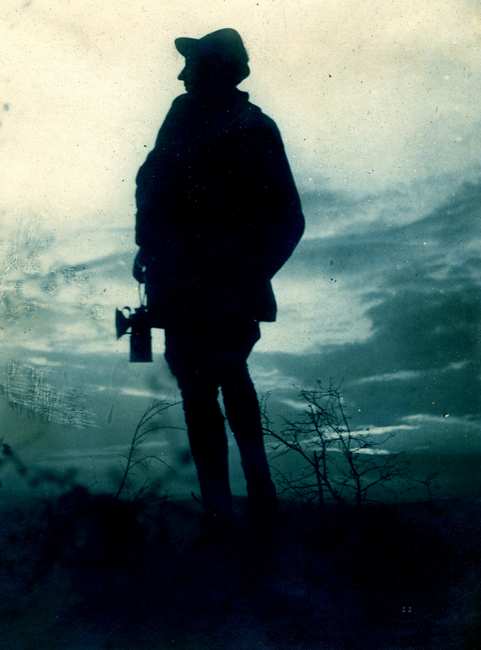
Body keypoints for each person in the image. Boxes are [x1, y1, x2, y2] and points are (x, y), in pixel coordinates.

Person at [133, 28, 305, 528]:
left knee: (226, 382)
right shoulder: (182, 118)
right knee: (199, 393)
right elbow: (154, 184)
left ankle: (258, 505)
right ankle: (221, 512)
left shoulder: (254, 129)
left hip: (225, 288)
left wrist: (245, 276)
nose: (181, 74)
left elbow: (288, 218)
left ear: (215, 71)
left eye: (191, 65)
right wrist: (149, 247)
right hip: (179, 285)